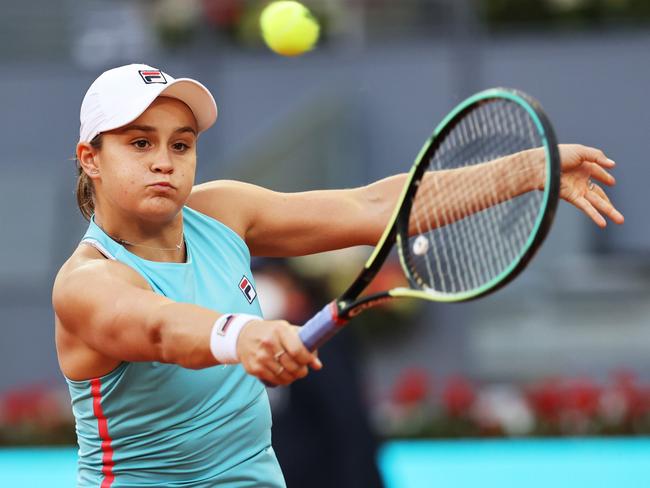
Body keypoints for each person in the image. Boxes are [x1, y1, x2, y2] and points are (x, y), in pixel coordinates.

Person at [52, 64, 624, 487]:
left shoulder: (223, 211)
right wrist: (243, 334)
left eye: (181, 144)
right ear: (90, 158)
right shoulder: (86, 281)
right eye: (139, 143)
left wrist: (531, 168)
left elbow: (375, 209)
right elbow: (157, 327)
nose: (164, 161)